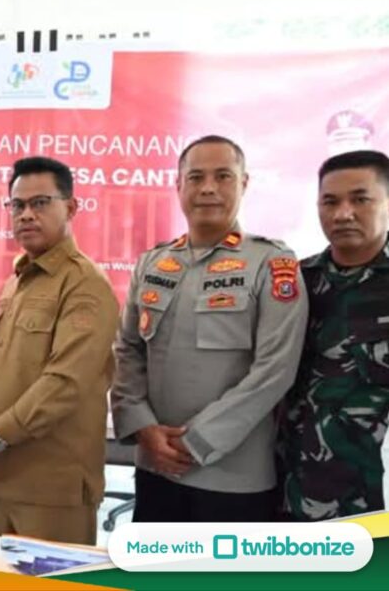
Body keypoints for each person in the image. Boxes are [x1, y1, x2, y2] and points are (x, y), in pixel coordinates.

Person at [111, 135, 309, 522]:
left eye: (223, 176)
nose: (207, 188)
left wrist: (197, 441)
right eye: (196, 177)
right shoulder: (152, 263)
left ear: (244, 183)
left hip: (234, 478)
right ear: (178, 184)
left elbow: (275, 370)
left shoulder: (272, 264)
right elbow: (127, 350)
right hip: (155, 466)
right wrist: (143, 427)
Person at [0, 156, 119, 545]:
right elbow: (25, 362)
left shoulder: (84, 284)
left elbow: (64, 384)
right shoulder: (19, 279)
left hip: (50, 486)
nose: (26, 214)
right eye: (17, 205)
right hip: (1, 476)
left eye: (40, 203)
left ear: (70, 208)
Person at [279, 150, 389, 520]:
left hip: (371, 500)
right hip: (289, 492)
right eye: (330, 202)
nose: (343, 214)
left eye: (360, 199)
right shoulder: (294, 283)